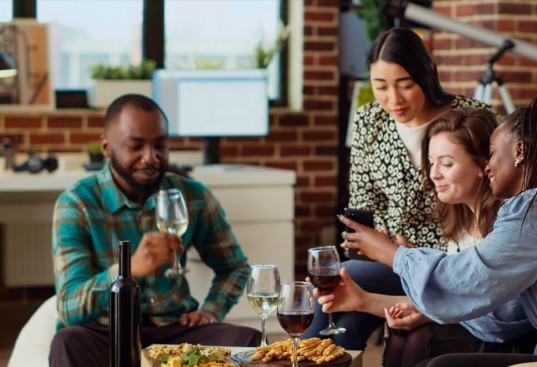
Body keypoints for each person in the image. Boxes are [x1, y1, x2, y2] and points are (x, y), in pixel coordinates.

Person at [340, 92, 537, 366]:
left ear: (519, 151)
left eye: (494, 152)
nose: (488, 166)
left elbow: (468, 280)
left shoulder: (534, 207)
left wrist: (391, 254)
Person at [302, 26, 495, 350]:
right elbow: (363, 202)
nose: (394, 99)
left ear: (426, 75)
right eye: (380, 86)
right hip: (386, 257)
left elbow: (493, 196)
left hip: (448, 261)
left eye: (405, 85)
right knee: (334, 300)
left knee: (346, 280)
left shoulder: (471, 117)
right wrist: (377, 245)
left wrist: (405, 253)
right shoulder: (369, 121)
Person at [49, 94, 261, 366]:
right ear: (106, 146)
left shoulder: (193, 195)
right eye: (135, 146)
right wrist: (130, 270)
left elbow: (234, 266)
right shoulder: (76, 203)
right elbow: (68, 307)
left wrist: (211, 310)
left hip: (175, 329)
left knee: (248, 343)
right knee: (67, 341)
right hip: (105, 331)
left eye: (160, 145)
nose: (150, 158)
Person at [319, 108, 536, 367]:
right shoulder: (461, 225)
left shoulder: (507, 223)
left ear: (483, 165)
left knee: (419, 339)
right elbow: (451, 301)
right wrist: (363, 301)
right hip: (481, 326)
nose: (434, 174)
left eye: (446, 164)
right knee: (401, 333)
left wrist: (395, 257)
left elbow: (493, 311)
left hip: (511, 336)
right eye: (431, 162)